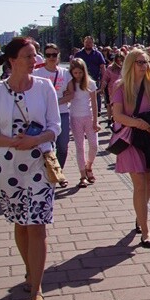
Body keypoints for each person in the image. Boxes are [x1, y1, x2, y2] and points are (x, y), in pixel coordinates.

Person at [0, 36, 61, 300]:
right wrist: (14, 142)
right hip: (10, 166)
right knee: (21, 223)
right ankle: (30, 270)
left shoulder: (44, 88)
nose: (34, 59)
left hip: (40, 163)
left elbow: (55, 126)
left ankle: (37, 289)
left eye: (35, 55)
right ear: (12, 60)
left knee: (37, 224)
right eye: (28, 55)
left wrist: (36, 140)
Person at [111, 48, 150, 249]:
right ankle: (146, 231)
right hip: (132, 139)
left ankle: (140, 216)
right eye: (139, 62)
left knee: (149, 184)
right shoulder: (121, 86)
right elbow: (117, 115)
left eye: (146, 62)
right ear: (130, 64)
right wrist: (139, 123)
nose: (144, 66)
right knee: (140, 184)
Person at [33, 43, 72, 176]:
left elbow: (71, 94)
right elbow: (32, 94)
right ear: (44, 56)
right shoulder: (37, 73)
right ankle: (48, 173)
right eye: (48, 55)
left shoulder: (65, 73)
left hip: (62, 114)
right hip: (43, 115)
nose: (51, 57)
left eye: (54, 55)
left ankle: (58, 172)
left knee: (63, 146)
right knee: (45, 146)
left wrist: (55, 102)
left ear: (58, 55)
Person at [67, 58, 100, 187]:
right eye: (75, 73)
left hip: (89, 116)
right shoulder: (70, 83)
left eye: (80, 73)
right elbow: (67, 96)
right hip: (75, 117)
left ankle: (89, 166)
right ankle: (82, 175)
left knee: (94, 145)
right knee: (80, 147)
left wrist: (96, 121)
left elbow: (94, 102)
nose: (78, 75)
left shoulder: (90, 83)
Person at [75, 36, 107, 114]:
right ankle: (83, 111)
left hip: (95, 79)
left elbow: (102, 67)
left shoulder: (98, 54)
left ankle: (97, 111)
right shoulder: (79, 54)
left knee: (96, 95)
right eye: (86, 42)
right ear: (84, 43)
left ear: (93, 43)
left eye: (90, 42)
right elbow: (74, 67)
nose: (88, 44)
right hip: (81, 79)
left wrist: (104, 78)